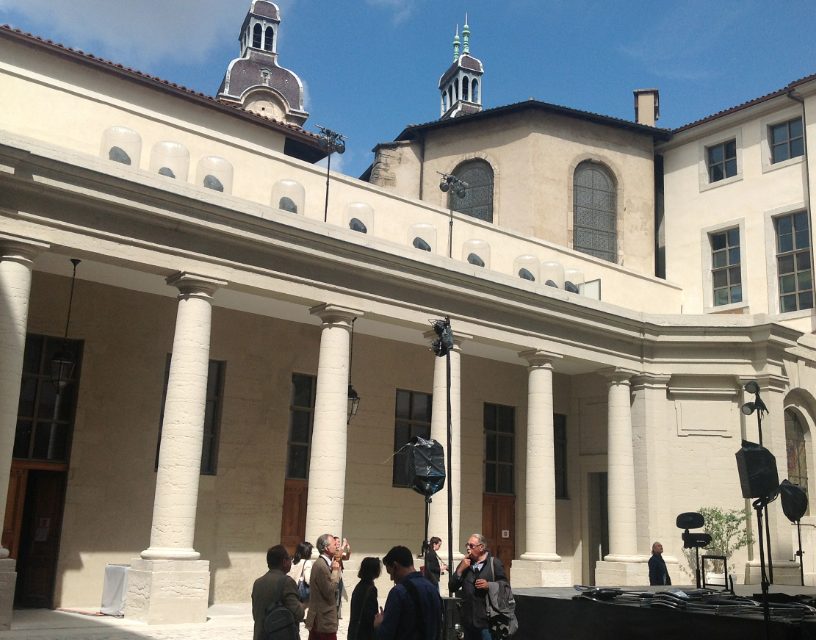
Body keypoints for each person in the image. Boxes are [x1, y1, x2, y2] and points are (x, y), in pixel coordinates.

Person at [374, 545, 443, 640]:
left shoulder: (398, 592)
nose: (391, 578)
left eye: (390, 573)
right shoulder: (432, 588)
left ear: (395, 566)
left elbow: (386, 634)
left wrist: (379, 625)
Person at [450, 533, 507, 640]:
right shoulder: (465, 564)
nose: (468, 548)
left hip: (487, 621)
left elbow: (505, 586)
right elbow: (452, 587)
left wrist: (489, 585)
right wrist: (460, 570)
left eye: (471, 546)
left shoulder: (494, 563)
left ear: (481, 547)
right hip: (468, 621)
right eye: (467, 545)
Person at [251, 545, 304, 640]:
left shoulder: (258, 582)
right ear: (284, 561)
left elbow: (256, 614)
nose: (291, 562)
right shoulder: (287, 582)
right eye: (289, 559)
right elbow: (299, 614)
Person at [305, 533, 342, 640]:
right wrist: (335, 571)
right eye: (334, 544)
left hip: (321, 618)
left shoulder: (325, 563)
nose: (336, 546)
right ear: (326, 547)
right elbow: (329, 590)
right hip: (323, 619)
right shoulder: (321, 565)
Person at [348, 557, 381, 640]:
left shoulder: (359, 586)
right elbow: (370, 615)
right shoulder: (370, 589)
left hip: (355, 631)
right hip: (364, 633)